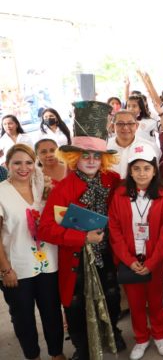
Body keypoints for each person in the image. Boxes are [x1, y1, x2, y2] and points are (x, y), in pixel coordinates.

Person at [38, 101, 126, 360]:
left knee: (111, 298)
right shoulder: (63, 188)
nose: (90, 160)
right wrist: (82, 237)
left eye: (96, 156)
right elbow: (45, 229)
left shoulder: (112, 180)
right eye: (85, 155)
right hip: (76, 258)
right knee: (76, 305)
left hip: (106, 253)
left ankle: (113, 333)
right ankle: (82, 346)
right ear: (75, 157)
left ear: (103, 158)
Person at [108, 143, 163, 360]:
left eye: (146, 168)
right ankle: (141, 338)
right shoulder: (119, 194)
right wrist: (127, 260)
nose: (141, 173)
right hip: (129, 259)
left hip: (155, 259)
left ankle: (160, 334)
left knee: (155, 300)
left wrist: (153, 262)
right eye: (136, 169)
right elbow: (114, 229)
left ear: (154, 170)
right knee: (135, 302)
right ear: (130, 171)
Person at [0, 144, 65, 360]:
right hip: (17, 267)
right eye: (17, 163)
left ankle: (56, 353)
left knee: (52, 311)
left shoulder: (42, 185)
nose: (23, 168)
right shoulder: (1, 192)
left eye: (28, 162)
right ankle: (33, 355)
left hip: (48, 262)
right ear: (7, 165)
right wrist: (5, 269)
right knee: (23, 317)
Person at [107, 111, 160, 179]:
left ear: (137, 125)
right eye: (120, 124)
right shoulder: (104, 146)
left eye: (130, 123)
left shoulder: (149, 147)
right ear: (112, 126)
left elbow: (154, 174)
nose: (125, 127)